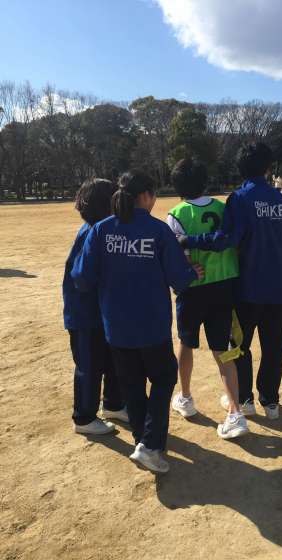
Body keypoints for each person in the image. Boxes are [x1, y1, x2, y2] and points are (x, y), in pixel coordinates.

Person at [72, 172, 203, 473]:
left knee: (131, 384)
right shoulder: (157, 230)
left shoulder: (101, 229)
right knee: (164, 377)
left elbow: (82, 278)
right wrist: (192, 273)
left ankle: (142, 442)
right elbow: (179, 279)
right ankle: (150, 444)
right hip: (152, 325)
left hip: (116, 327)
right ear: (146, 195)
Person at [179, 143, 282, 420]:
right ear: (268, 167)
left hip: (248, 287)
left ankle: (244, 399)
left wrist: (189, 240)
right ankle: (271, 401)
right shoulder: (280, 200)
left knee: (239, 346)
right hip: (279, 286)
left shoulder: (240, 199)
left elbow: (225, 239)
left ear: (240, 168)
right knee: (274, 346)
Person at [168, 158, 249, 440]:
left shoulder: (177, 213)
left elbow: (176, 254)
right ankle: (235, 412)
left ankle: (186, 397)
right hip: (224, 285)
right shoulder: (222, 207)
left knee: (186, 342)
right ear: (205, 182)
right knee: (223, 349)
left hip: (193, 288)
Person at [63, 178, 127, 435]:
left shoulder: (101, 230)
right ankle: (84, 418)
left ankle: (113, 404)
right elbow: (83, 279)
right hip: (85, 315)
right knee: (90, 366)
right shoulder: (92, 233)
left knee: (112, 360)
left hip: (103, 313)